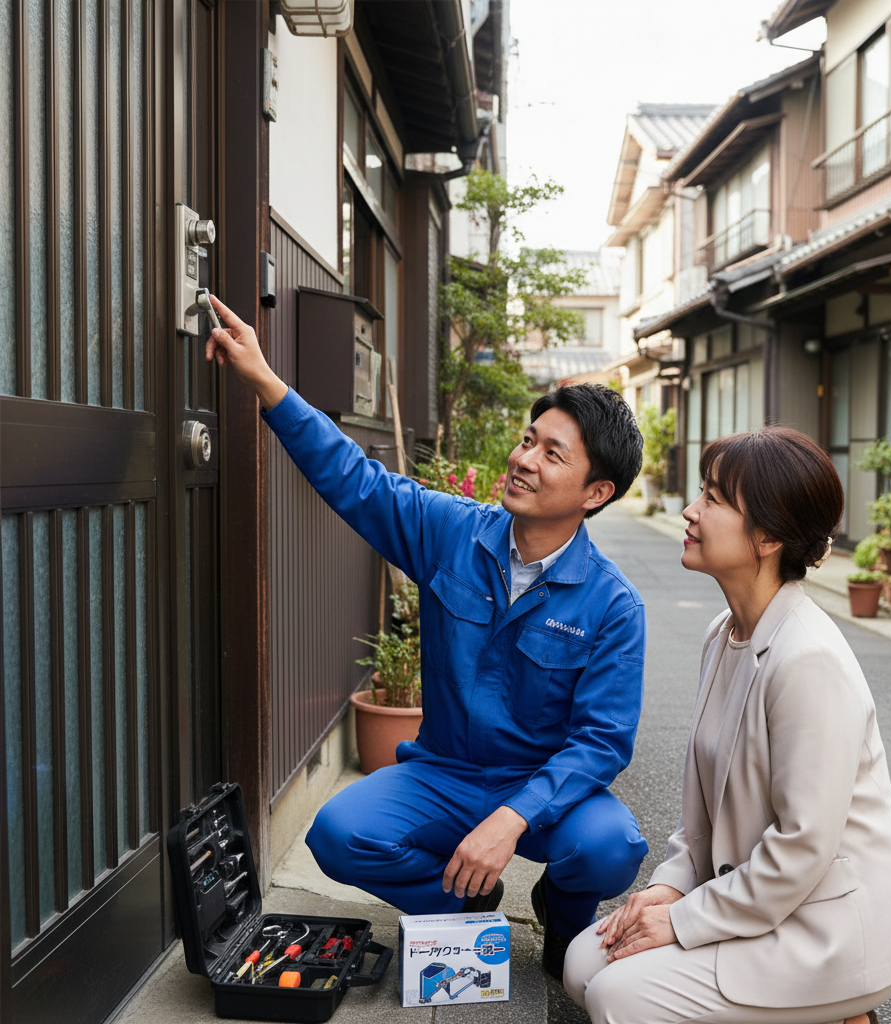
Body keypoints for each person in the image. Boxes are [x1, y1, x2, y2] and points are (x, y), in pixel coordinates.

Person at [204, 294, 649, 979]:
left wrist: (515, 818)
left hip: (542, 786)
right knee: (338, 833)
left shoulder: (613, 604)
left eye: (551, 453)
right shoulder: (452, 532)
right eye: (528, 440)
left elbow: (600, 742)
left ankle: (564, 916)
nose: (522, 458)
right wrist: (266, 381)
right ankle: (465, 904)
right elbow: (356, 482)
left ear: (595, 492)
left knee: (612, 845)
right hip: (444, 772)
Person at [564, 426, 891, 1024]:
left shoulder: (807, 658)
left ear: (766, 537)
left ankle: (840, 1009)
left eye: (712, 499)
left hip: (822, 928)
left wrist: (681, 921)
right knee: (584, 961)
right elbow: (702, 819)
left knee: (616, 997)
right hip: (754, 901)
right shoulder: (726, 632)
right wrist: (671, 887)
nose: (689, 510)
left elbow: (802, 849)